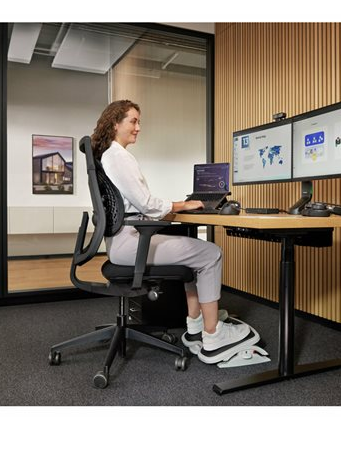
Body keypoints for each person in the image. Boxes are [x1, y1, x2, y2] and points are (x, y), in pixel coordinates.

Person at [91, 100, 259, 364]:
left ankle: (195, 325)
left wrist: (172, 207)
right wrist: (183, 204)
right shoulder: (118, 156)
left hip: (123, 241)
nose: (138, 127)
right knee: (211, 254)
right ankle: (213, 335)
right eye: (133, 121)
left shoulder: (108, 156)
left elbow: (137, 205)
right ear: (115, 123)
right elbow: (147, 204)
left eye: (139, 122)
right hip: (130, 244)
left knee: (192, 252)